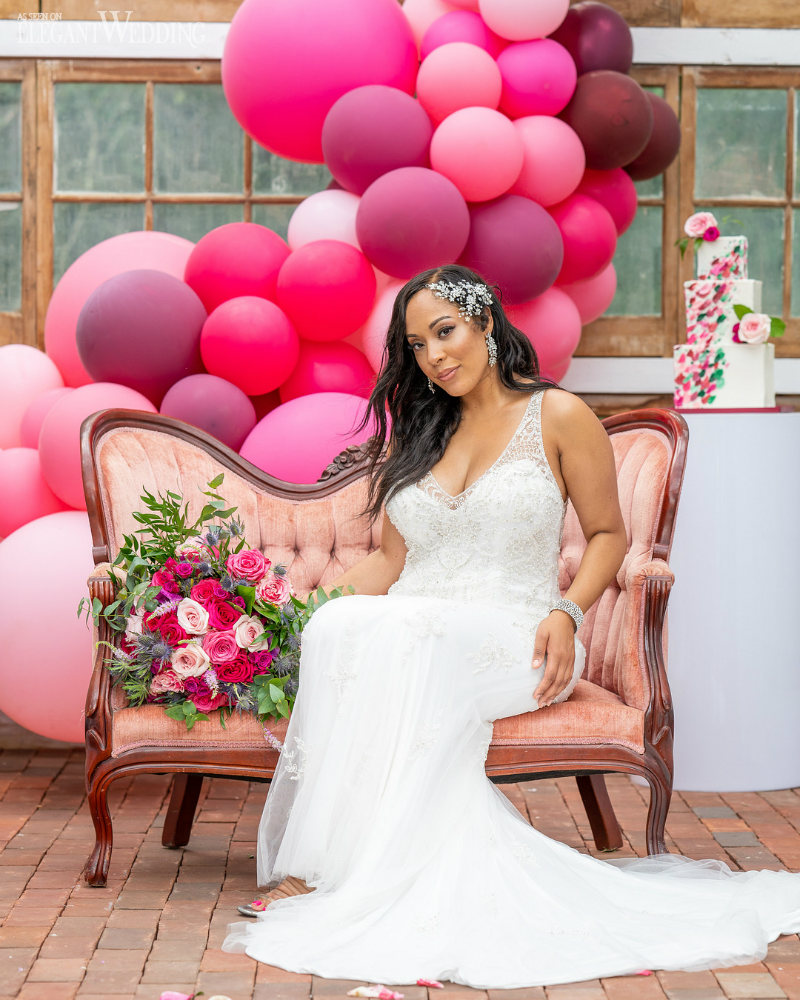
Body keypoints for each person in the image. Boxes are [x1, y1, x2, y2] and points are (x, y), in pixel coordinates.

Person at [223, 264, 800, 987]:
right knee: (343, 630)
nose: (435, 355)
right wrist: (316, 605)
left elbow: (608, 537)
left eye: (446, 331)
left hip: (521, 634)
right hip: (423, 621)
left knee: (405, 635)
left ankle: (356, 872)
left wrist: (567, 611)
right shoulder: (421, 434)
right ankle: (334, 867)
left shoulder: (556, 415)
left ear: (486, 323)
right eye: (418, 345)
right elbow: (394, 563)